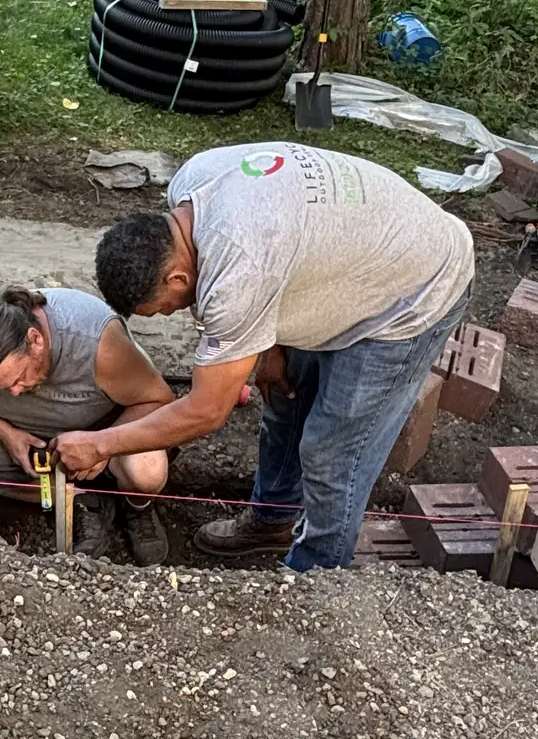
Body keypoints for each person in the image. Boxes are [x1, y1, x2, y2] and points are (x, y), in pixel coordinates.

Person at [58, 141, 474, 571]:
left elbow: (205, 412)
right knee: (284, 401)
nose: (171, 314)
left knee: (334, 454)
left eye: (166, 306)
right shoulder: (192, 185)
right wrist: (271, 349)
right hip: (351, 261)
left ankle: (314, 576)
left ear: (177, 275)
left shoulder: (236, 272)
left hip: (414, 291)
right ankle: (272, 521)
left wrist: (99, 444)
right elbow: (281, 249)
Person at [0, 286, 173, 563]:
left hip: (106, 430)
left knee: (147, 468)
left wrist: (103, 445)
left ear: (35, 339)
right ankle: (83, 501)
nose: (15, 392)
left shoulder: (98, 343)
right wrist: (5, 433)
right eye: (2, 388)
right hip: (32, 439)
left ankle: (136, 506)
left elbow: (159, 401)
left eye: (20, 377)